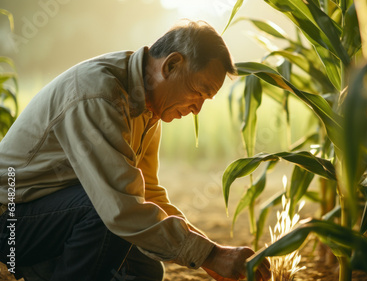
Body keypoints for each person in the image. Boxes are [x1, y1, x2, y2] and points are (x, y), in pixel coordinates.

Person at [0, 20, 271, 281]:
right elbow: (122, 208)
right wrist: (211, 255)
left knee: (145, 273)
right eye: (199, 92)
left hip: (48, 213)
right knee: (107, 215)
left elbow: (146, 193)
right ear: (172, 65)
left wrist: (209, 253)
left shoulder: (148, 106)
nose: (197, 109)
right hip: (10, 219)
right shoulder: (101, 95)